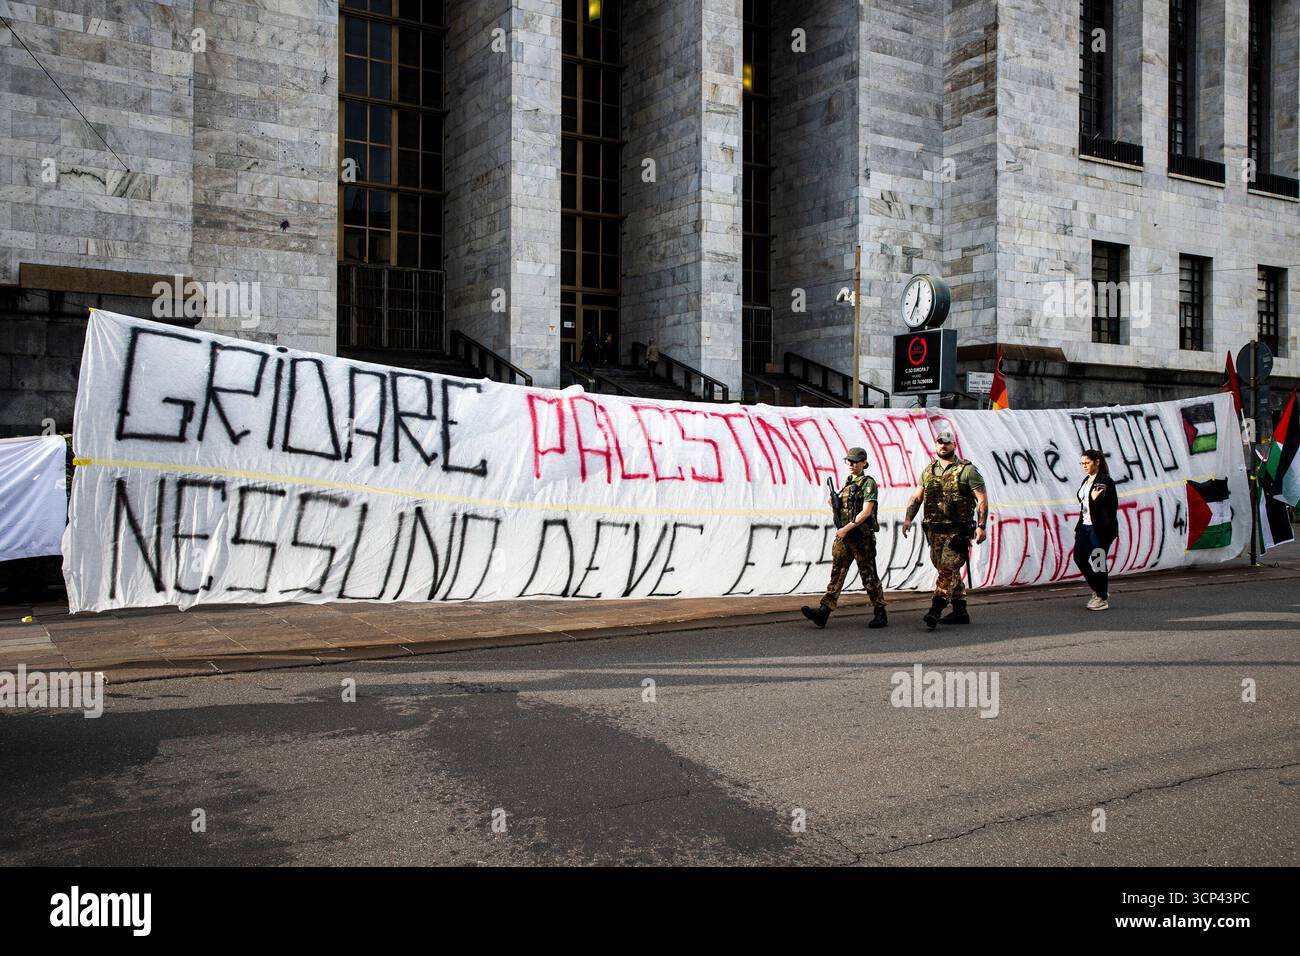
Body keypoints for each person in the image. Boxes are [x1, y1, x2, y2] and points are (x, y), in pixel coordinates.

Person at [902, 427, 988, 629]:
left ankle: (935, 609)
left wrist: (982, 526)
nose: (943, 445)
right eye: (940, 442)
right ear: (935, 445)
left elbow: (982, 499)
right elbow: (917, 496)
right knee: (943, 568)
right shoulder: (929, 471)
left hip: (956, 532)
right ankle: (960, 610)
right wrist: (908, 519)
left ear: (954, 446)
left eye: (947, 442)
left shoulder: (967, 470)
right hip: (934, 531)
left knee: (947, 570)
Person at [801, 447, 888, 630]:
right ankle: (824, 611)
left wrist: (846, 528)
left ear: (864, 462)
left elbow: (866, 513)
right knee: (837, 572)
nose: (851, 464)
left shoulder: (868, 483)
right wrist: (835, 504)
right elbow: (846, 509)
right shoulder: (848, 483)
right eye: (849, 461)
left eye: (855, 461)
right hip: (845, 536)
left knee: (869, 575)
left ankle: (880, 611)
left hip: (861, 537)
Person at [1074, 448, 1118, 610]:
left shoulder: (1105, 481)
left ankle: (1101, 597)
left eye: (1087, 462)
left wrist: (1095, 500)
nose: (1084, 466)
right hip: (1085, 527)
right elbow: (1083, 506)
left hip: (1100, 529)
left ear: (1097, 462)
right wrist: (1078, 527)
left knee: (1098, 561)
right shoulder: (1086, 480)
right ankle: (1100, 589)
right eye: (1082, 463)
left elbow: (1111, 507)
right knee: (1079, 557)